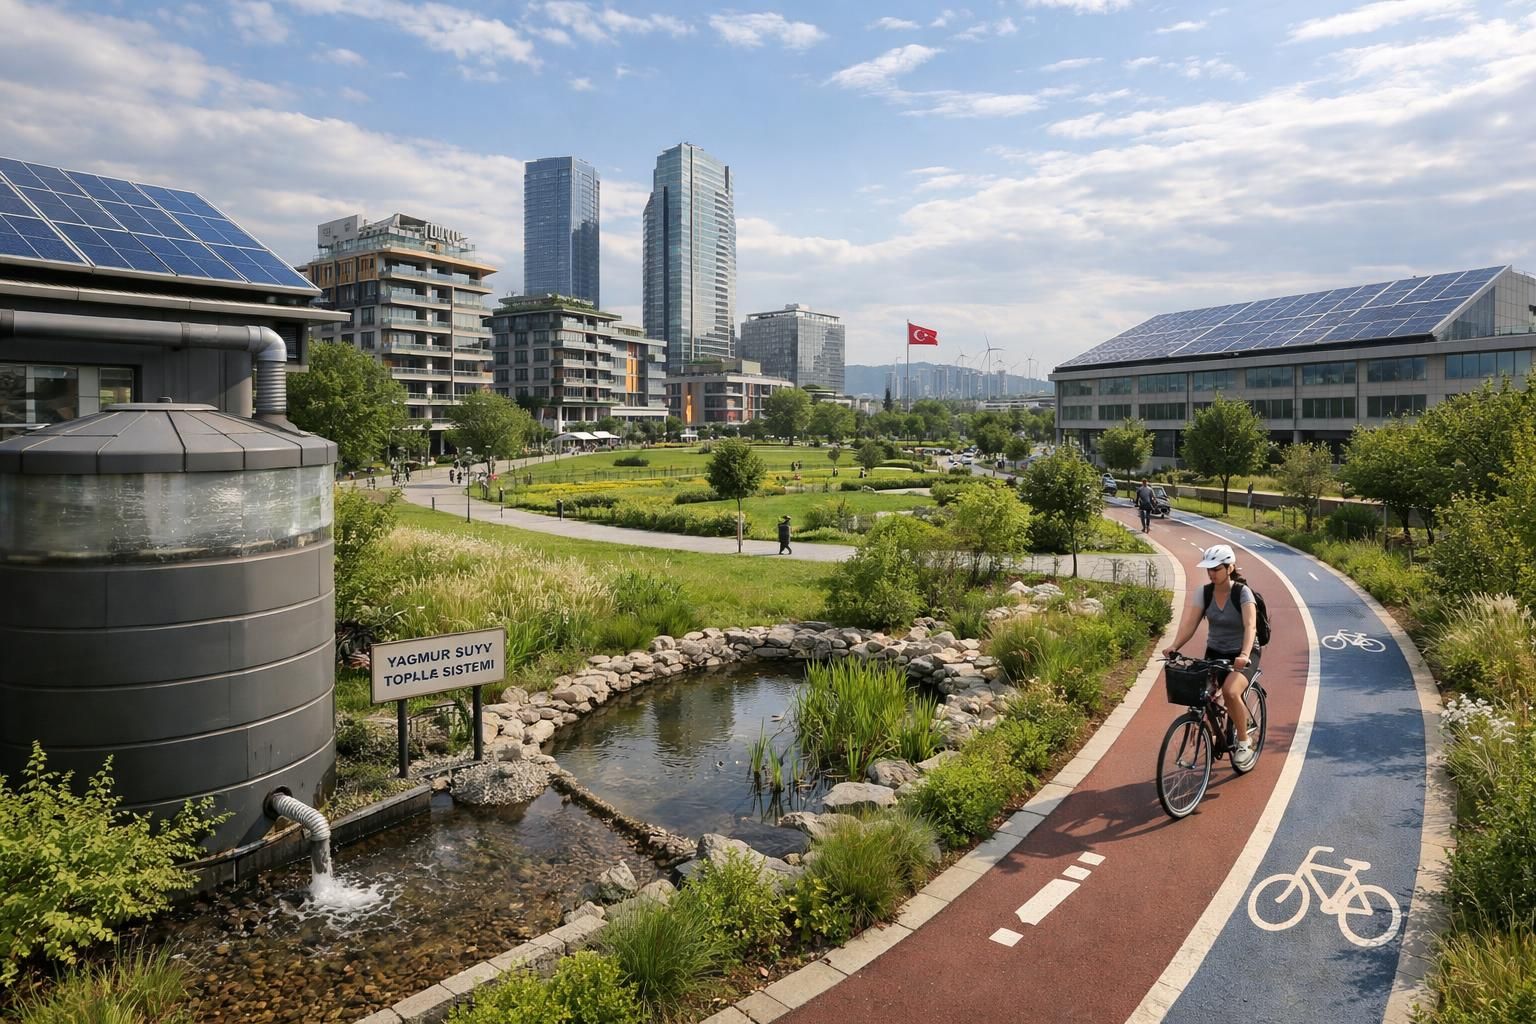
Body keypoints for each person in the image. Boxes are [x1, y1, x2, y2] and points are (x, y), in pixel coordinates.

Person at [1163, 544, 1261, 769]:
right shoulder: (1204, 593)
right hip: (1216, 651)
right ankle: (1201, 742)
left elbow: (1250, 625)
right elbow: (1190, 624)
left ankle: (1244, 743)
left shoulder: (1242, 593)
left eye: (1216, 569)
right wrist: (1175, 645)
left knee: (1230, 691)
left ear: (1229, 568)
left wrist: (1245, 654)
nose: (1211, 573)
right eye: (1209, 569)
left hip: (1244, 651)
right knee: (1199, 696)